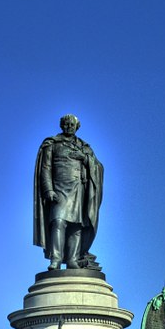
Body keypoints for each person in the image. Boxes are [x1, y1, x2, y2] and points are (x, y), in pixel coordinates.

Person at [33, 114, 104, 270]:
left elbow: (98, 167)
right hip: (59, 189)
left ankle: (72, 259)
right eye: (66, 124)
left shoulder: (84, 147)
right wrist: (48, 189)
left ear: (77, 127)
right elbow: (46, 169)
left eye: (72, 125)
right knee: (58, 221)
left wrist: (85, 159)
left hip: (78, 189)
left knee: (76, 226)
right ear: (61, 125)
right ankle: (56, 259)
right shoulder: (52, 144)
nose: (69, 127)